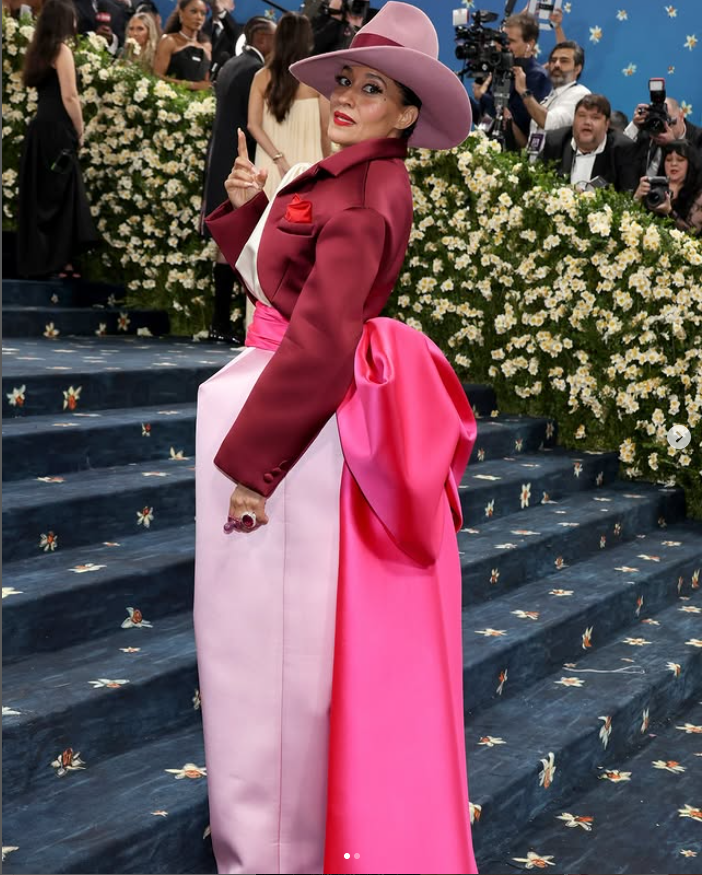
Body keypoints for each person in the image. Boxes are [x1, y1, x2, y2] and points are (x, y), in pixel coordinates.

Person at [193, 3, 478, 874]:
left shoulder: (365, 189)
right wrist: (247, 210)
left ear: (407, 114)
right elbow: (292, 290)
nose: (348, 96)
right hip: (285, 418)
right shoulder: (351, 176)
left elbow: (320, 336)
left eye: (373, 89)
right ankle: (271, 839)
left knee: (263, 657)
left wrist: (255, 469)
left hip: (293, 432)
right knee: (260, 652)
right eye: (346, 79)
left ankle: (269, 851)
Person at [201, 15, 276, 342]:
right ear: (261, 39)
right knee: (233, 243)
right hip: (239, 163)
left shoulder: (232, 64)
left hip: (222, 160)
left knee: (226, 243)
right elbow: (256, 121)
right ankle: (221, 322)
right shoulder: (253, 71)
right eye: (274, 38)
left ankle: (220, 323)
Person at [16, 0, 100, 278]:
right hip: (58, 131)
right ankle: (61, 261)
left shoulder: (38, 51)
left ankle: (42, 260)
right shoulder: (62, 50)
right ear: (65, 20)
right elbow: (70, 95)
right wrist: (80, 129)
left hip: (39, 130)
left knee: (42, 196)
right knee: (62, 196)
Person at [247, 12, 331, 200]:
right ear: (307, 40)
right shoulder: (318, 78)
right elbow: (326, 128)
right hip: (308, 165)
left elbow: (253, 125)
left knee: (266, 216)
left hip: (270, 164)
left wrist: (278, 159)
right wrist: (328, 164)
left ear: (278, 38)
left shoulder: (261, 77)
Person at [473, 11, 550, 149]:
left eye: (510, 41)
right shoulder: (501, 70)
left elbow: (517, 123)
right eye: (502, 40)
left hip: (518, 154)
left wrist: (483, 97)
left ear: (530, 44)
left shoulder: (537, 76)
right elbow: (487, 118)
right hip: (492, 149)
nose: (504, 46)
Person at [540, 94, 639, 192]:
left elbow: (626, 194)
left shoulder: (622, 149)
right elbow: (539, 183)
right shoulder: (556, 141)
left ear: (606, 124)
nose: (587, 122)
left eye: (595, 117)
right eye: (582, 116)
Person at [511, 40, 589, 149]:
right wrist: (509, 121)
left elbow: (548, 123)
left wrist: (524, 91)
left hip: (556, 160)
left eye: (564, 61)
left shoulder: (580, 94)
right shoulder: (549, 97)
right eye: (553, 60)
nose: (556, 65)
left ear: (577, 68)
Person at [634, 139, 702, 235]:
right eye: (668, 160)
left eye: (680, 160)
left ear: (690, 164)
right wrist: (636, 199)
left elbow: (692, 233)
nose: (673, 164)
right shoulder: (652, 187)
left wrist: (669, 212)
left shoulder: (698, 194)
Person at [625, 95, 702, 177]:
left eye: (668, 122)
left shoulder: (699, 137)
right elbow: (622, 156)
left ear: (681, 116)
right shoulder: (649, 131)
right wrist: (634, 126)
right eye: (659, 121)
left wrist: (674, 144)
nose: (663, 128)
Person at [153, 0, 211, 90]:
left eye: (203, 13)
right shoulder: (169, 41)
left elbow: (206, 84)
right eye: (194, 11)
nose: (199, 17)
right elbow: (156, 76)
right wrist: (192, 85)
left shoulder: (206, 49)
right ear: (181, 13)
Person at [202, 0, 242, 80]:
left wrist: (221, 12)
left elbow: (237, 40)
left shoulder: (239, 31)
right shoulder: (200, 28)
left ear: (232, 6)